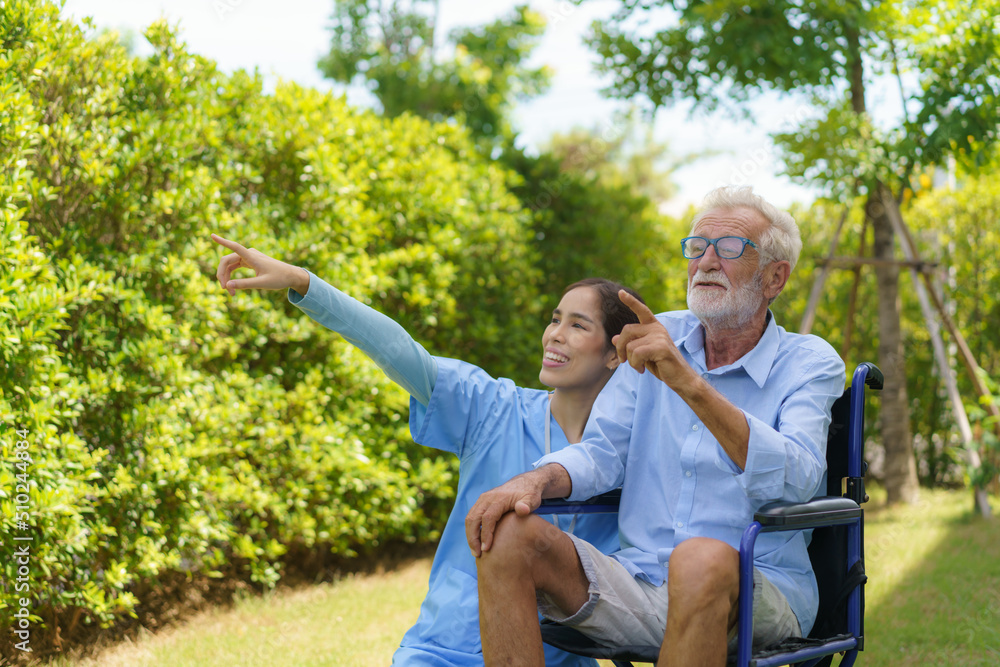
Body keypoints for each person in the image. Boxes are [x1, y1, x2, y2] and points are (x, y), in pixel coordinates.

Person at [210, 233, 646, 666]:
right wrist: (304, 282)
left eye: (577, 325)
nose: (554, 335)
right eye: (555, 319)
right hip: (445, 650)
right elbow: (398, 350)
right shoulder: (491, 406)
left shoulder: (635, 449)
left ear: (615, 354)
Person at [465, 186, 847, 666]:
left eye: (729, 249)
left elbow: (796, 481)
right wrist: (535, 479)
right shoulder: (657, 336)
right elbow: (602, 452)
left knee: (701, 558)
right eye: (697, 247)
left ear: (775, 277)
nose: (706, 261)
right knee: (507, 535)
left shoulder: (810, 362)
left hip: (757, 593)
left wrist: (689, 382)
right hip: (639, 581)